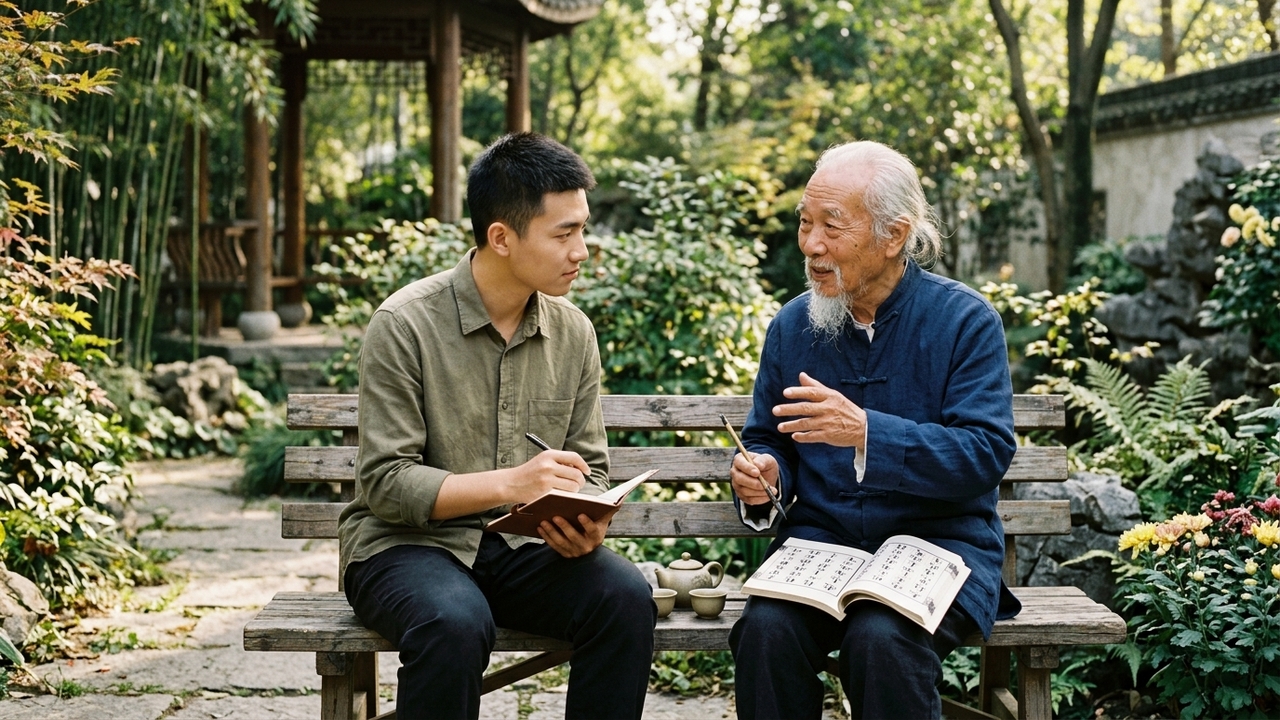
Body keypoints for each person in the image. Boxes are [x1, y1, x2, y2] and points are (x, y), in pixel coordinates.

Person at [338, 132, 656, 720]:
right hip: (405, 546)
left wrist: (584, 518)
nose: (581, 249)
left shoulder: (574, 332)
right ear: (501, 238)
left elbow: (592, 467)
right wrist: (512, 484)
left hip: (520, 548)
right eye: (564, 233)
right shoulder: (404, 324)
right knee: (454, 624)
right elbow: (384, 483)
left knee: (625, 597)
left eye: (583, 229)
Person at [727, 140, 1020, 720]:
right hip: (823, 551)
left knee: (881, 639)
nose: (812, 246)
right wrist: (764, 474)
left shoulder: (964, 321)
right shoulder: (793, 326)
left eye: (832, 227)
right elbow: (768, 438)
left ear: (893, 236)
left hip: (941, 548)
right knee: (764, 632)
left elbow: (985, 452)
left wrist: (866, 432)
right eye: (806, 224)